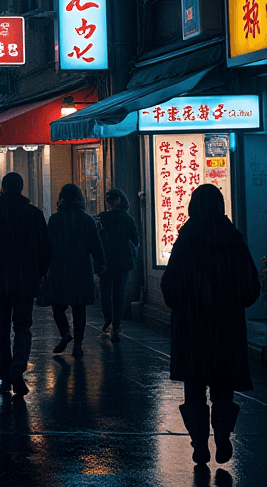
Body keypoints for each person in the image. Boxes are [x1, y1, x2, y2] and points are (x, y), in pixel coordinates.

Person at [161, 184, 261, 466]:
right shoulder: (235, 242)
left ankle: (199, 443)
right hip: (226, 328)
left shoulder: (186, 241)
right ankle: (222, 436)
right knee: (223, 387)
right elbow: (251, 289)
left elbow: (169, 287)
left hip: (191, 329)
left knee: (194, 388)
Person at [0, 170, 52, 396]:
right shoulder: (34, 214)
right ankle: (18, 367)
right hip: (25, 282)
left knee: (1, 328)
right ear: (22, 188)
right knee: (23, 327)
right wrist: (37, 274)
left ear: (2, 188)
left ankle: (5, 374)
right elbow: (47, 250)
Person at [43, 183, 106, 357]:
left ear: (61, 198)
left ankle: (65, 333)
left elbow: (46, 247)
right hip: (81, 270)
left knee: (57, 306)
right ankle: (78, 345)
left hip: (59, 269)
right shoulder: (87, 220)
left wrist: (43, 268)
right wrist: (101, 264)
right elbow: (96, 245)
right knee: (79, 310)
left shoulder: (54, 220)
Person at [96, 187, 139, 342]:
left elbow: (97, 240)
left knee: (105, 293)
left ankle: (108, 319)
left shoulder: (102, 218)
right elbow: (136, 239)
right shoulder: (128, 219)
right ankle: (116, 325)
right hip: (123, 261)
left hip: (106, 261)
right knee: (119, 294)